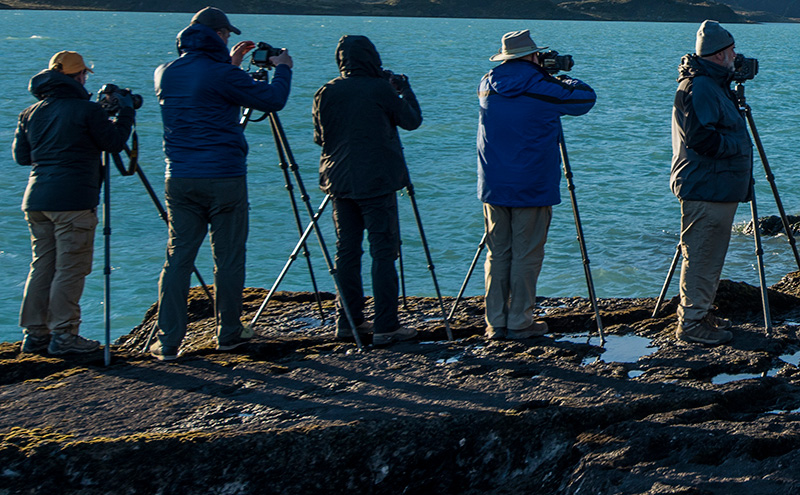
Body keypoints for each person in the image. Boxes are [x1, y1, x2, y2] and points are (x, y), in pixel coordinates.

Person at [151, 6, 293, 360]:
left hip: (179, 176)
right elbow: (273, 100)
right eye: (227, 34)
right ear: (217, 35)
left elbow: (204, 91)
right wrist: (284, 69)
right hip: (224, 176)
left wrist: (230, 65)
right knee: (228, 258)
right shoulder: (221, 75)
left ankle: (168, 341)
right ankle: (228, 332)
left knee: (178, 258)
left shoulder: (164, 72)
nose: (229, 38)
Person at [12, 50, 135, 355]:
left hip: (36, 200)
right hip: (74, 201)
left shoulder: (31, 112)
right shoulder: (86, 111)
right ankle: (64, 334)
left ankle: (35, 333)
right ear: (78, 77)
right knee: (70, 268)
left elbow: (22, 157)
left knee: (42, 266)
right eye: (84, 75)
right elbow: (114, 143)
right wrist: (126, 114)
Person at [477, 30, 596, 340]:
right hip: (530, 184)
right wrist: (557, 77)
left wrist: (541, 71)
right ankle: (520, 319)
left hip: (492, 183)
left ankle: (495, 321)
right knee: (527, 253)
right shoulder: (540, 86)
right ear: (532, 57)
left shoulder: (487, 83)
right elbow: (585, 97)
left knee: (498, 253)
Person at [312, 35, 422, 346]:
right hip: (377, 182)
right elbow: (412, 121)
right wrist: (404, 90)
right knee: (383, 253)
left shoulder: (326, 91)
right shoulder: (379, 89)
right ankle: (386, 324)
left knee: (346, 252)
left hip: (338, 182)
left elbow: (321, 137)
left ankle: (347, 320)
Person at [670, 20, 752, 345]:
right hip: (706, 188)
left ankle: (700, 312)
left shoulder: (712, 84)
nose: (736, 55)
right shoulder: (700, 87)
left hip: (715, 187)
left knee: (709, 253)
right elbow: (700, 138)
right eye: (731, 50)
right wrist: (739, 145)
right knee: (701, 253)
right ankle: (691, 325)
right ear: (719, 54)